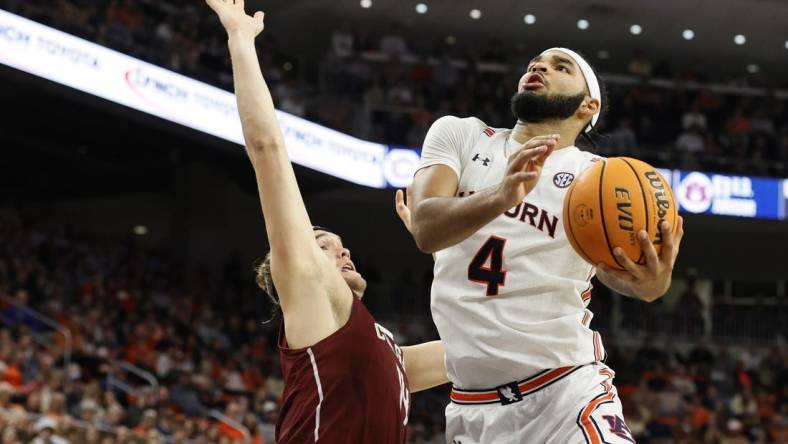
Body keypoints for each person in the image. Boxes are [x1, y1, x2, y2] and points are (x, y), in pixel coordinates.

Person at [409, 47, 685, 442]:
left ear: (588, 106)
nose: (540, 67)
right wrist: (502, 196)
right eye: (535, 63)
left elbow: (639, 283)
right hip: (473, 408)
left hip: (567, 392)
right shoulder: (460, 133)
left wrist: (652, 281)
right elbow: (425, 227)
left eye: (561, 67)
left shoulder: (598, 180)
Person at [204, 1, 448, 442]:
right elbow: (267, 149)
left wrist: (445, 246)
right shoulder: (311, 293)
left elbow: (474, 350)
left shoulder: (383, 349)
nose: (343, 249)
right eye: (323, 243)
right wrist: (239, 39)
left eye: (338, 242)